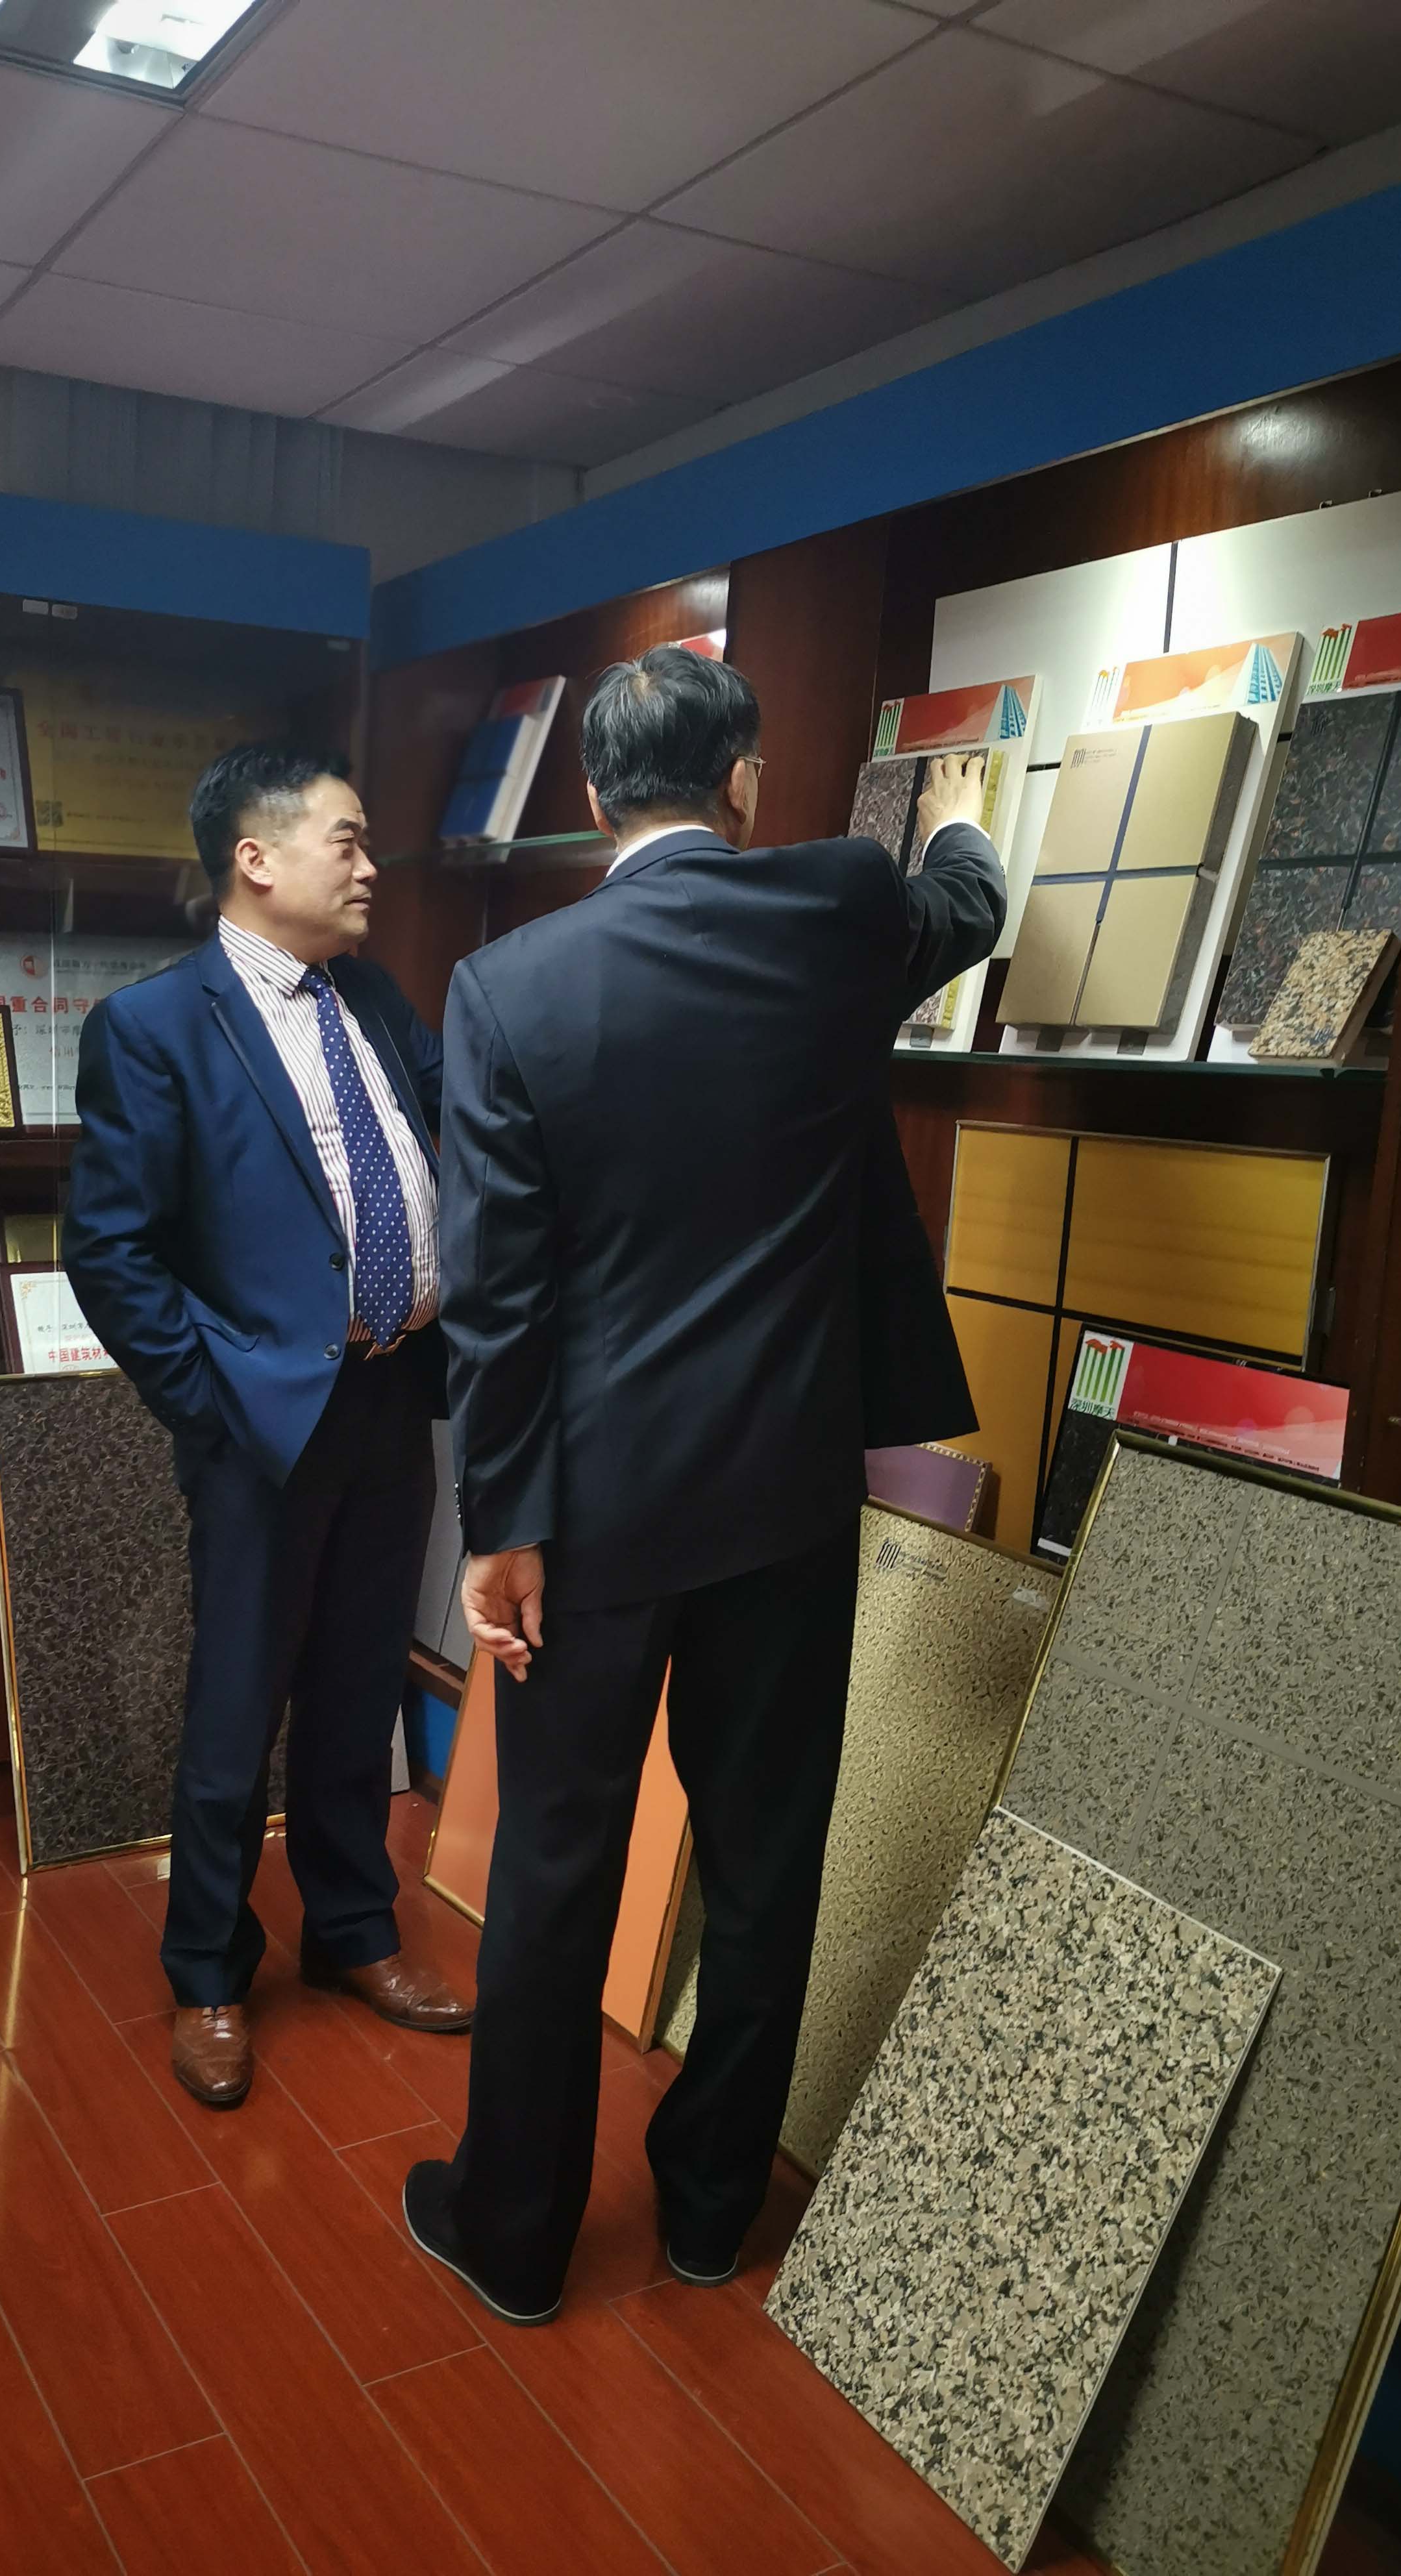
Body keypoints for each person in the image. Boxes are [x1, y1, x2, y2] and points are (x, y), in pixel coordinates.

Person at [403, 647, 1004, 2322]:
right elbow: (966, 905)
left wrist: (503, 1527)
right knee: (766, 1861)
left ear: (596, 796)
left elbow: (497, 1292)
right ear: (742, 782)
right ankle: (710, 2210)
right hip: (788, 1500)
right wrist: (961, 815)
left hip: (591, 1517)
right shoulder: (838, 913)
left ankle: (515, 2231)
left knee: (555, 1868)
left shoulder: (508, 986)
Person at [63, 742, 471, 2111]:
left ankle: (352, 1930)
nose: (370, 867)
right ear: (256, 857)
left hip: (394, 1393)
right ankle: (208, 1970)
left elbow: (448, 1141)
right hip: (262, 1418)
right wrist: (210, 1402)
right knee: (239, 1704)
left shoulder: (376, 999)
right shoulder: (155, 1026)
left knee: (358, 1686)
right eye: (346, 840)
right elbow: (110, 1248)